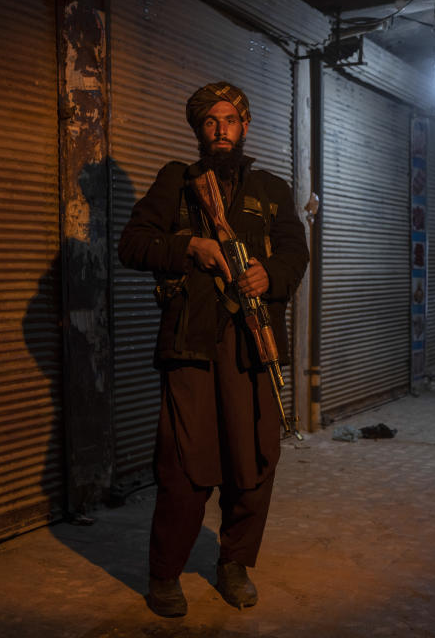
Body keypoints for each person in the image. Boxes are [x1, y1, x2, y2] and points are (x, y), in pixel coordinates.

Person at [118, 81, 309, 617]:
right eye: (210, 121)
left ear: (245, 125)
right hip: (192, 347)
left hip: (255, 346)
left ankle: (234, 565)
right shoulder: (176, 182)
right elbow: (133, 244)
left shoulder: (271, 189)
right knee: (184, 464)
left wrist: (268, 273)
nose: (220, 128)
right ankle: (165, 575)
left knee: (254, 461)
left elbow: (297, 253)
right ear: (199, 130)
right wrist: (189, 246)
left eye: (229, 119)